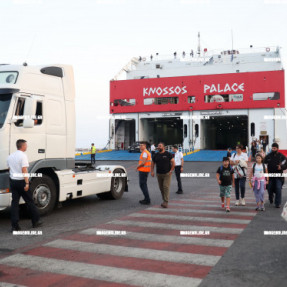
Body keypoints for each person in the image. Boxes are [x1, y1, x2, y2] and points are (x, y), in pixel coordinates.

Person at [7, 139, 42, 232]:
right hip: (21, 182)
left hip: (13, 182)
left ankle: (14, 226)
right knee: (29, 201)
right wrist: (27, 183)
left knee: (14, 204)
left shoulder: (10, 156)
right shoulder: (23, 156)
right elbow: (24, 170)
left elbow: (9, 169)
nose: (26, 146)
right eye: (26, 145)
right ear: (22, 146)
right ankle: (35, 222)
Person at [151, 142, 175, 208]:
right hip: (159, 174)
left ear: (163, 147)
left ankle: (166, 201)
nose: (158, 147)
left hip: (167, 173)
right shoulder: (156, 155)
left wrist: (171, 170)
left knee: (165, 187)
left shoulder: (168, 154)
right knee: (161, 188)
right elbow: (152, 163)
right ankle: (164, 200)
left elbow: (173, 162)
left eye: (160, 146)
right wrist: (152, 171)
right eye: (158, 146)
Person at [264, 143, 287, 208]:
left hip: (278, 176)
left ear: (277, 148)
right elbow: (264, 165)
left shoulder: (281, 156)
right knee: (269, 188)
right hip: (270, 176)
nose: (273, 149)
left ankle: (278, 203)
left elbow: (286, 165)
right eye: (272, 148)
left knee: (278, 188)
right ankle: (271, 197)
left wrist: (281, 167)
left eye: (274, 148)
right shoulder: (268, 156)